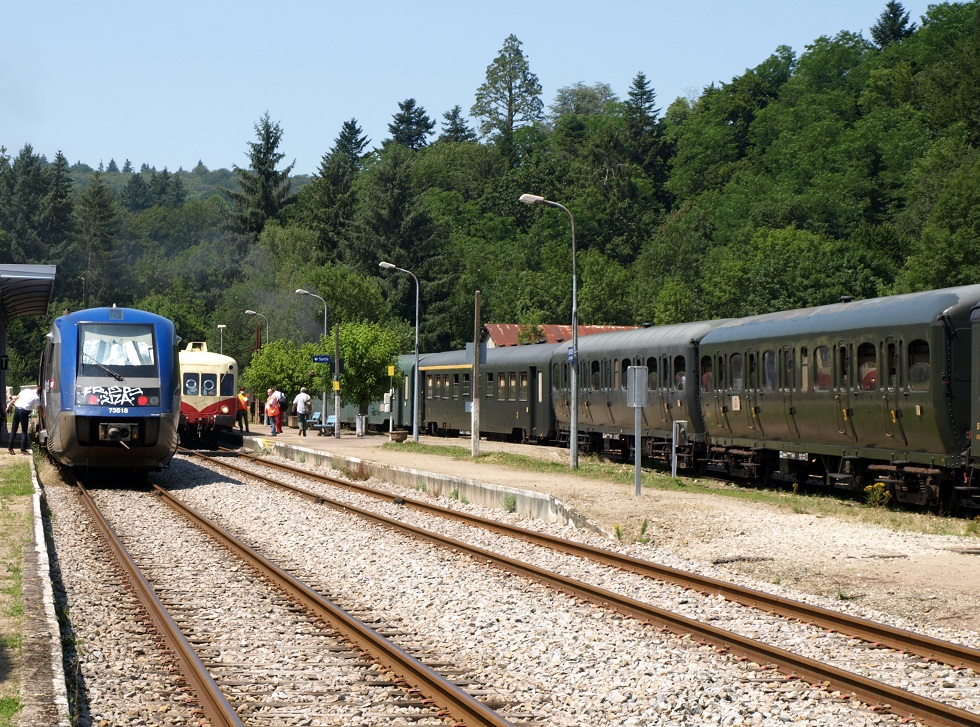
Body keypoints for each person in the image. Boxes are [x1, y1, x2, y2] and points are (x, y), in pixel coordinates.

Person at [7, 386, 41, 455]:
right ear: (39, 392)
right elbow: (40, 408)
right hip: (24, 412)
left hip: (17, 410)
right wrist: (44, 415)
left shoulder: (25, 390)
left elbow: (15, 399)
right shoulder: (36, 397)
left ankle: (10, 448)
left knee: (13, 430)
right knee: (24, 431)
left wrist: (8, 406)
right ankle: (23, 450)